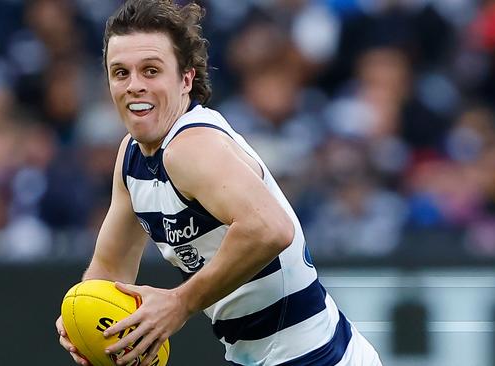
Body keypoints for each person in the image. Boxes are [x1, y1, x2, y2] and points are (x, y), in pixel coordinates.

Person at [56, 1, 382, 365]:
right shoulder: (132, 157)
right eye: (120, 73)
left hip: (316, 357)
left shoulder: (190, 147)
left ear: (186, 79)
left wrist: (180, 303)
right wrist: (80, 317)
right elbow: (110, 269)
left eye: (151, 71)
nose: (134, 86)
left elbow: (270, 228)